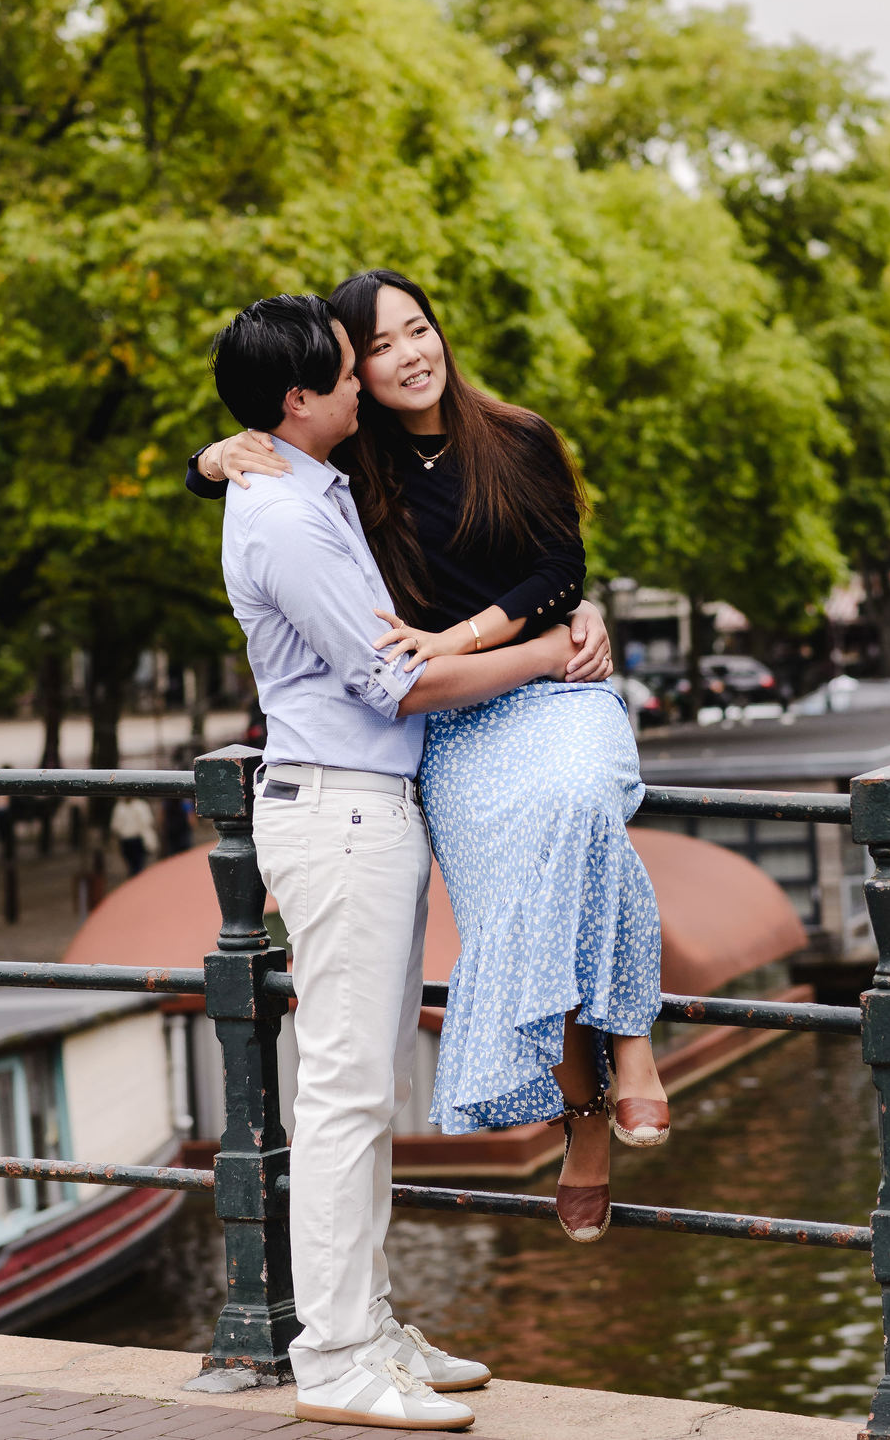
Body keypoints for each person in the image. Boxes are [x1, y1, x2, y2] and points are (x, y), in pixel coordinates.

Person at [191, 270, 668, 1251]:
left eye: (420, 330)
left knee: (580, 804)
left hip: (556, 691)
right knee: (519, 889)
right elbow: (244, 474)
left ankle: (622, 1053)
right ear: (348, 374)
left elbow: (559, 570)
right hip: (450, 726)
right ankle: (599, 1089)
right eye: (379, 345)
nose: (410, 355)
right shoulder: (350, 468)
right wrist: (210, 458)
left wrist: (469, 636)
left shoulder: (518, 437)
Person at [206, 292, 590, 1431]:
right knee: (342, 1095)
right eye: (347, 368)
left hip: (366, 808)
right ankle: (332, 1355)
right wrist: (546, 657)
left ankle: (367, 1323)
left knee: (360, 1092)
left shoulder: (310, 488)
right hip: (342, 811)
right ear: (303, 400)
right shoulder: (284, 518)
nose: (369, 379)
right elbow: (399, 682)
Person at [109, 795, 158, 876]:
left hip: (137, 839)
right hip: (126, 840)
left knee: (138, 865)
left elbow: (147, 823)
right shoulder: (120, 807)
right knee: (133, 865)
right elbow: (115, 826)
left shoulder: (140, 805)